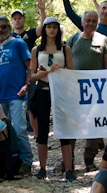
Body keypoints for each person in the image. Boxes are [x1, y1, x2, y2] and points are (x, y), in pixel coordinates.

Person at [65, 9, 107, 173]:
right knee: (72, 123)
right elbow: (66, 61)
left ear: (97, 23)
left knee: (93, 125)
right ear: (82, 22)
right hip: (74, 89)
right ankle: (68, 160)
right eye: (88, 20)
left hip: (96, 90)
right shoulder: (73, 39)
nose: (91, 23)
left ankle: (89, 159)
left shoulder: (103, 40)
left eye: (94, 21)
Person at [29, 17, 74, 180]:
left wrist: (61, 68)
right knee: (42, 130)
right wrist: (39, 75)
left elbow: (72, 71)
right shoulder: (36, 50)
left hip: (61, 92)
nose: (52, 30)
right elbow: (31, 75)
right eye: (49, 27)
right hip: (42, 91)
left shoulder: (64, 48)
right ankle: (42, 168)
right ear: (45, 29)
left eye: (55, 27)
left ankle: (69, 169)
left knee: (64, 130)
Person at [0, 15, 33, 176]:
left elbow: (30, 66)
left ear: (9, 27)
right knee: (0, 129)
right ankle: (7, 161)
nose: (0, 30)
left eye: (3, 27)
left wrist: (27, 85)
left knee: (19, 128)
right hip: (0, 96)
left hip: (17, 94)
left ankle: (26, 161)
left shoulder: (19, 43)